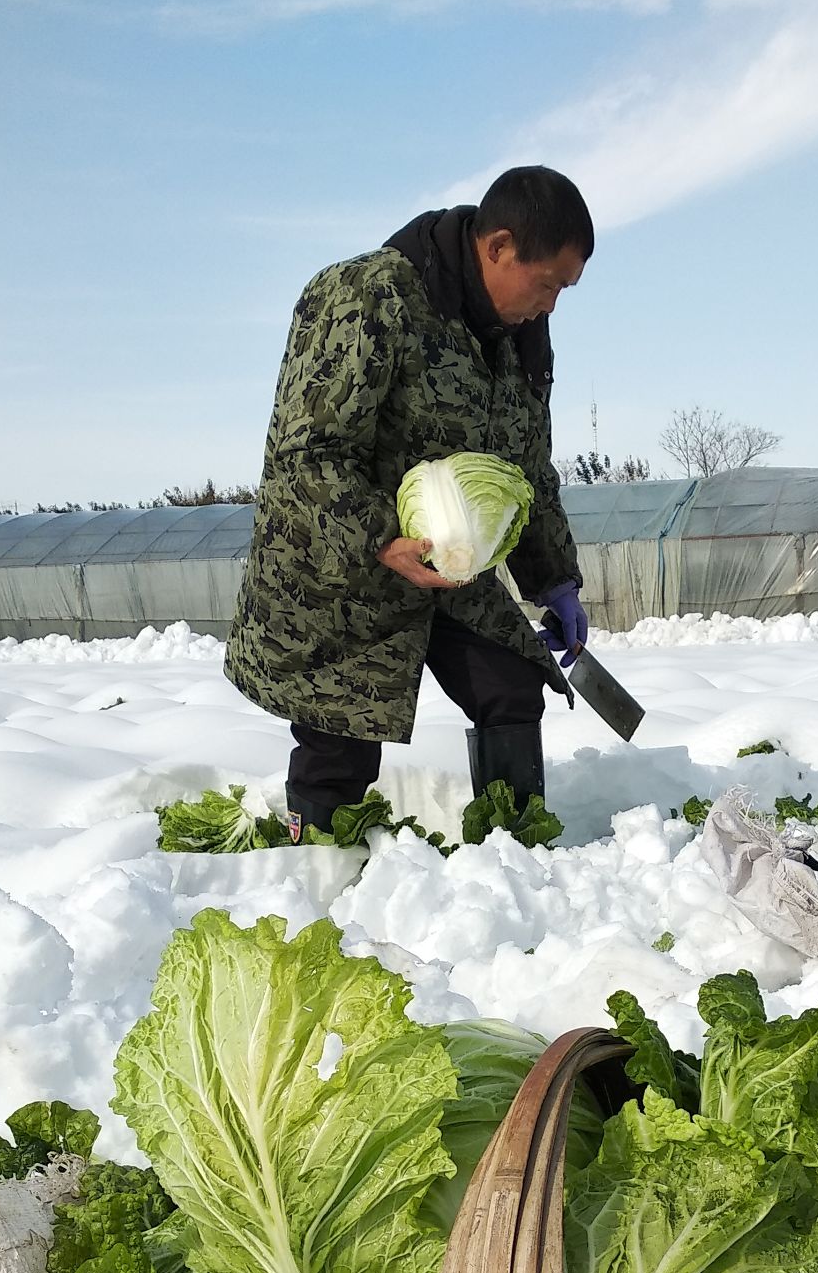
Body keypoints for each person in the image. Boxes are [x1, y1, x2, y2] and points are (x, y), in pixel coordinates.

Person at [225, 166, 596, 835]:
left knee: (511, 686)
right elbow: (307, 452)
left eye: (564, 291)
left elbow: (527, 470)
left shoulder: (522, 337)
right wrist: (378, 535)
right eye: (546, 284)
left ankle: (517, 854)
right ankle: (320, 873)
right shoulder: (368, 295)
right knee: (340, 733)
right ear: (498, 246)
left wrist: (554, 578)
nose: (550, 306)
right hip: (344, 560)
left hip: (444, 561)